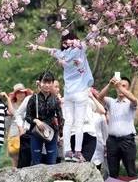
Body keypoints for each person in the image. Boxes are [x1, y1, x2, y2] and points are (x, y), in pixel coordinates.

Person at [29, 31, 94, 162]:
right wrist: (100, 21)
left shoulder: (62, 54)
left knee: (69, 122)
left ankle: (67, 151)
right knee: (79, 122)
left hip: (68, 93)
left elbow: (50, 50)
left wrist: (36, 47)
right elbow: (91, 34)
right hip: (80, 92)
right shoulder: (80, 47)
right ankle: (77, 152)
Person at [98, 75, 138, 178]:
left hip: (127, 141)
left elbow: (134, 99)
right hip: (112, 141)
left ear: (128, 88)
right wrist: (110, 85)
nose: (121, 88)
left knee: (131, 171)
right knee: (113, 172)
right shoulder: (111, 101)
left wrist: (119, 86)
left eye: (124, 86)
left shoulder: (130, 103)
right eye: (120, 85)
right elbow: (99, 97)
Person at [24, 71, 63, 165]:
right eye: (44, 82)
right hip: (36, 131)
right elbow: (27, 116)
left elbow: (60, 117)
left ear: (52, 83)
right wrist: (36, 121)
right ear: (39, 83)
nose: (47, 85)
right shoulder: (34, 98)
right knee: (36, 161)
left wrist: (61, 134)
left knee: (52, 162)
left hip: (52, 132)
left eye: (49, 82)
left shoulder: (55, 99)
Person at [67, 87, 106, 161]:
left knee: (85, 161)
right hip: (75, 134)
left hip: (90, 134)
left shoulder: (88, 100)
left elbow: (102, 110)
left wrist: (91, 97)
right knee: (77, 162)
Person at [7, 83, 33, 167]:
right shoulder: (12, 105)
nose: (20, 94)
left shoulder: (29, 103)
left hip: (26, 131)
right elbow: (13, 113)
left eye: (22, 92)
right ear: (15, 95)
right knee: (15, 155)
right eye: (18, 93)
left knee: (26, 155)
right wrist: (9, 100)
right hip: (14, 132)